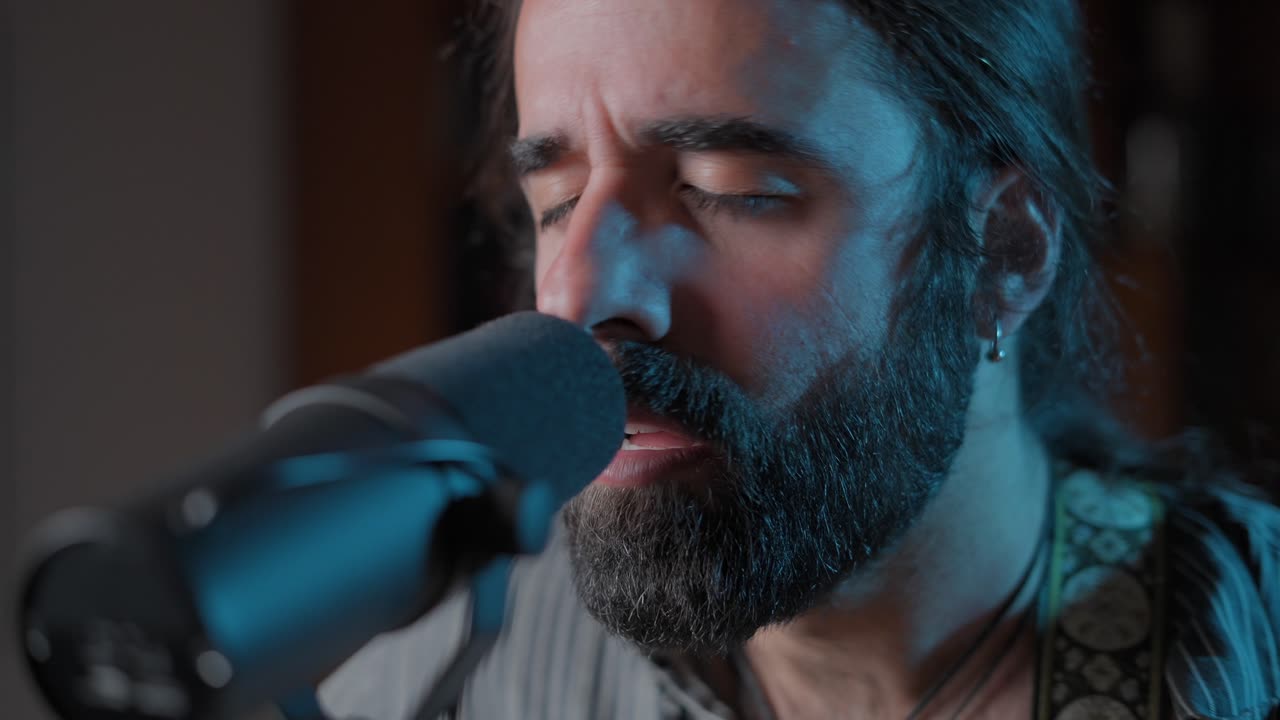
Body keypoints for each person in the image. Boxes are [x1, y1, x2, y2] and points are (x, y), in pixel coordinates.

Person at [318, 0, 1280, 718]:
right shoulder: (443, 675)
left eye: (728, 190)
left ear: (1004, 253)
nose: (577, 295)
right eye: (559, 204)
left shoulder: (1248, 655)